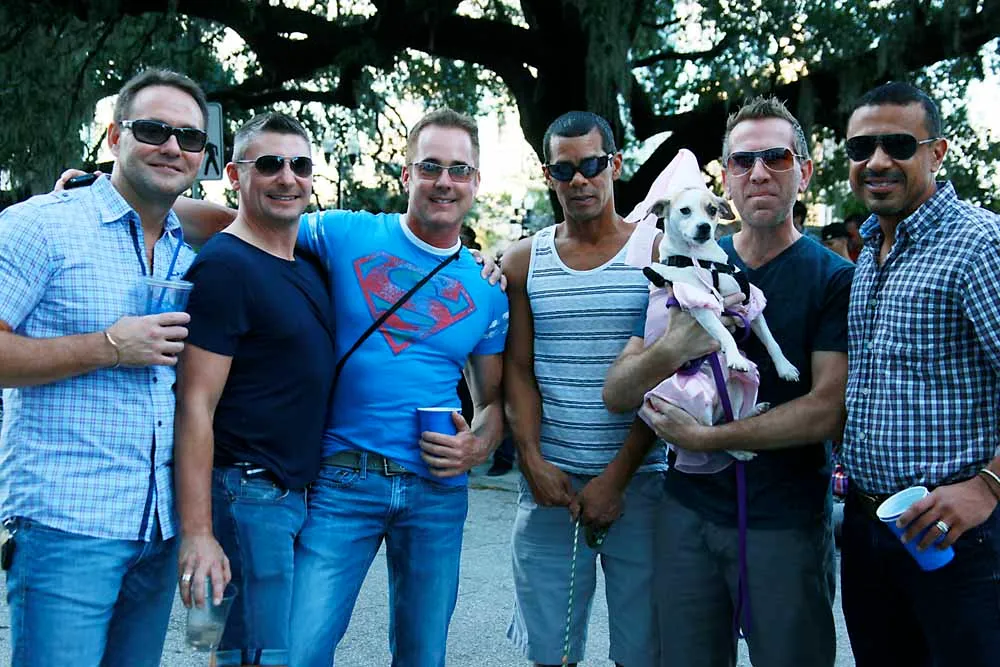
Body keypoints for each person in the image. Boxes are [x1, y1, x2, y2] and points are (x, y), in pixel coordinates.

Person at [603, 96, 854, 667]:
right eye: (742, 161)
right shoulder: (681, 262)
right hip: (687, 513)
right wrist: (673, 347)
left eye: (776, 158)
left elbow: (826, 409)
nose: (758, 172)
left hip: (784, 524)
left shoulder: (834, 278)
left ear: (804, 172)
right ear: (725, 180)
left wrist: (707, 439)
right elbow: (618, 392)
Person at [0, 68, 207, 665]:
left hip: (155, 530)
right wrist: (110, 346)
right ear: (115, 136)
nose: (172, 146)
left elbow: (251, 216)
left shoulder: (185, 248)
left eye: (190, 137)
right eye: (153, 130)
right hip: (67, 525)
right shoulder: (41, 225)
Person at [287, 109, 508, 666]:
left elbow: (492, 402)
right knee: (298, 651)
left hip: (436, 491)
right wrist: (112, 186)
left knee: (421, 656)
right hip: (343, 479)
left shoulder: (487, 289)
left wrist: (477, 446)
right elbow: (244, 223)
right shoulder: (346, 233)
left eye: (459, 170)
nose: (444, 181)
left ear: (476, 182)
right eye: (430, 167)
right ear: (407, 175)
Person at [502, 110, 682, 667]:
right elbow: (519, 369)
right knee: (550, 652)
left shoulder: (659, 253)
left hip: (640, 484)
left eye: (591, 165)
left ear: (615, 165)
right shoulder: (525, 261)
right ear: (548, 175)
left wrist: (616, 478)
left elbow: (669, 378)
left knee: (642, 650)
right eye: (564, 169)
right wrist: (531, 459)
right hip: (549, 487)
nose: (579, 179)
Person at [838, 81, 1000, 667]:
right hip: (869, 532)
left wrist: (988, 486)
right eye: (862, 148)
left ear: (937, 152)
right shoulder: (869, 253)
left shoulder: (978, 244)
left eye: (899, 145)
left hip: (959, 536)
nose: (878, 161)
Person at [173, 112, 335, 667]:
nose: (287, 177)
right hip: (245, 495)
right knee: (253, 656)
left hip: (291, 496)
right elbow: (194, 404)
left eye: (300, 165)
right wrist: (199, 532)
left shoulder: (306, 262)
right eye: (268, 164)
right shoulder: (223, 268)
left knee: (250, 650)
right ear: (235, 176)